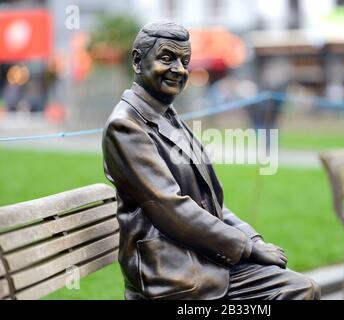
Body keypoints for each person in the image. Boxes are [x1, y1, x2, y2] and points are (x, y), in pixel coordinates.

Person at [102, 21, 320, 300]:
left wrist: (251, 239)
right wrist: (247, 249)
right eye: (167, 58)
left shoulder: (167, 117)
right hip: (172, 275)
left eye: (185, 61)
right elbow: (172, 208)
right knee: (296, 292)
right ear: (137, 61)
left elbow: (207, 201)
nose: (179, 69)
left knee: (301, 287)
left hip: (203, 260)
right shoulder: (126, 127)